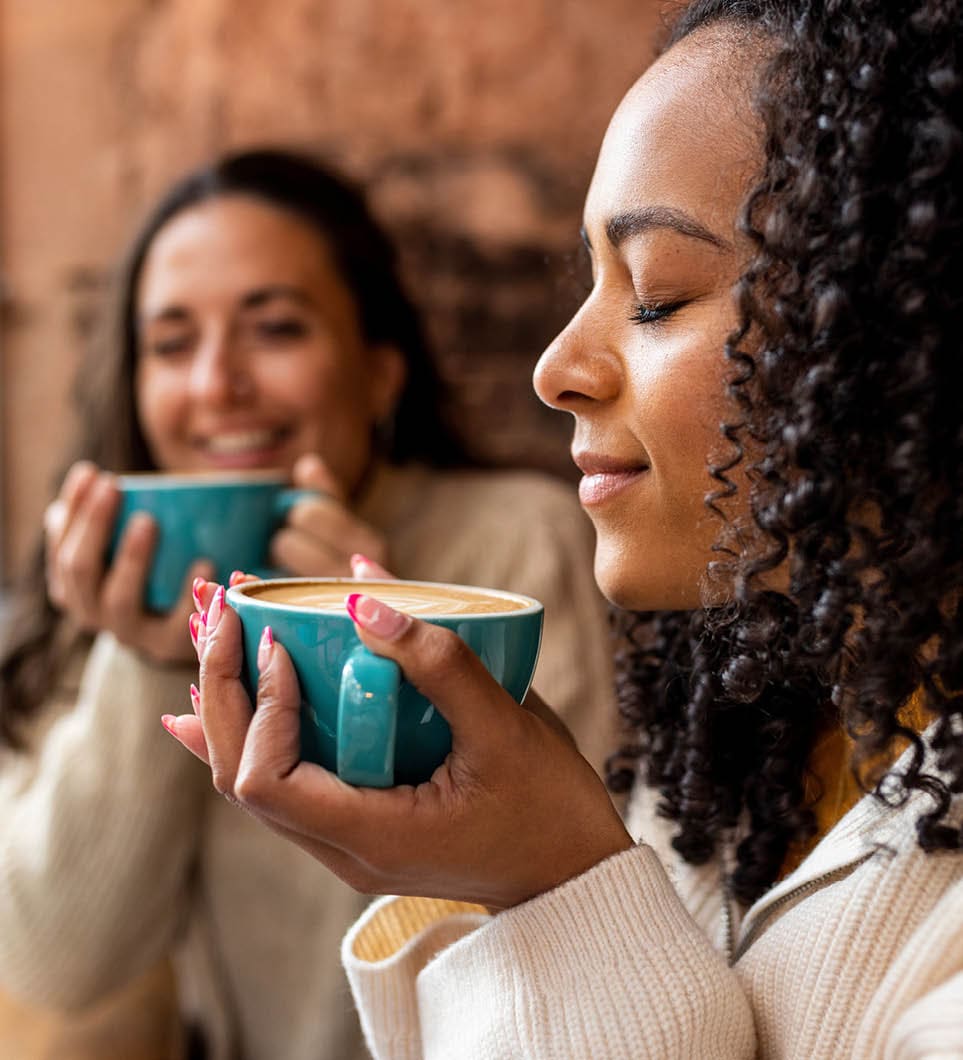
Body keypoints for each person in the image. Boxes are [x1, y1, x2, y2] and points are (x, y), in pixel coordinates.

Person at [170, 1, 963, 1057]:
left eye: (656, 297)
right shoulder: (738, 757)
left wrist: (555, 886)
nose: (556, 368)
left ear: (901, 326)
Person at [0, 148, 615, 1060]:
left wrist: (359, 657)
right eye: (171, 344)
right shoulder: (93, 605)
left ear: (378, 371)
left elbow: (566, 936)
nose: (216, 384)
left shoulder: (512, 548)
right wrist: (151, 659)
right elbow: (58, 963)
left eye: (275, 328)